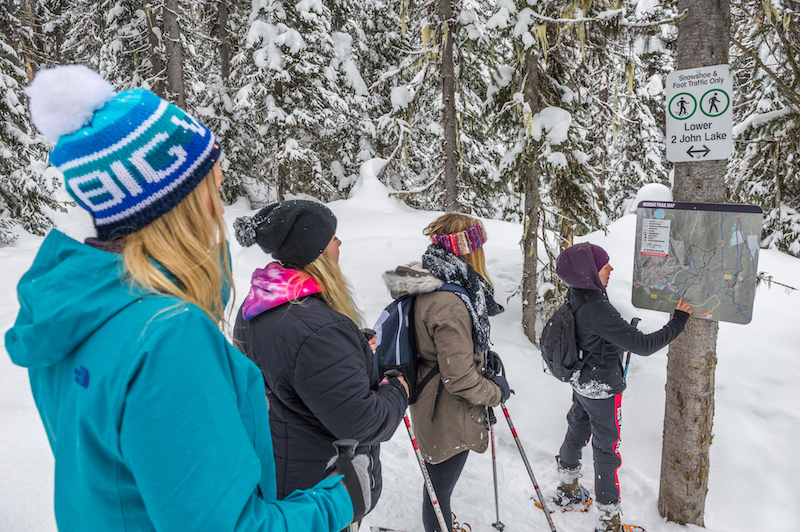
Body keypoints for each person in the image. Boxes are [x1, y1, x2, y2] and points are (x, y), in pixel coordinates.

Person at [5, 65, 367, 532]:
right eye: (213, 188)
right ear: (174, 203)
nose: (221, 207)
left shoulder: (71, 313)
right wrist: (337, 502)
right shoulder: (166, 337)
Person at [232, 200, 409, 512]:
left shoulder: (259, 304)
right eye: (332, 238)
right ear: (314, 252)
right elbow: (362, 423)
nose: (339, 242)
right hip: (320, 490)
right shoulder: (320, 331)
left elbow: (290, 365)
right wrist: (397, 390)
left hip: (277, 471)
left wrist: (351, 347)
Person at [382, 213, 511, 532]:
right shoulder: (449, 301)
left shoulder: (436, 283)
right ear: (469, 251)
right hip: (446, 412)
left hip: (431, 400)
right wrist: (497, 391)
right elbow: (460, 379)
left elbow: (445, 350)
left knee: (437, 488)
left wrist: (480, 353)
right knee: (438, 493)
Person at [551, 242, 692, 532]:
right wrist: (678, 321)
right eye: (605, 265)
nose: (611, 269)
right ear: (588, 271)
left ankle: (567, 489)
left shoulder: (577, 294)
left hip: (582, 382)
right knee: (606, 449)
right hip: (602, 389)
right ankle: (609, 520)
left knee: (577, 429)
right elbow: (643, 345)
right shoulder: (596, 308)